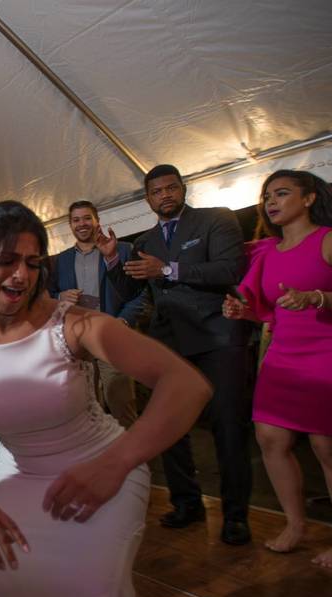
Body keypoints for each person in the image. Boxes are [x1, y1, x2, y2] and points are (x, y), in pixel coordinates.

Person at [0, 200, 210, 597]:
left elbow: (186, 385)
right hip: (21, 476)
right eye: (6, 261)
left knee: (88, 587)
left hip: (105, 468)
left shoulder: (72, 326)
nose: (21, 275)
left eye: (31, 262)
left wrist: (116, 462)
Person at [102, 164, 254, 545]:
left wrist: (168, 269)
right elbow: (129, 291)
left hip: (216, 337)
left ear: (183, 189)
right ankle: (186, 502)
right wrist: (112, 260)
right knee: (167, 427)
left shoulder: (215, 220)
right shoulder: (146, 241)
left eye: (171, 188)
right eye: (157, 191)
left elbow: (230, 268)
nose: (165, 195)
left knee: (228, 427)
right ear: (148, 198)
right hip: (168, 344)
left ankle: (236, 516)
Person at [223, 170, 332, 569]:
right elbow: (270, 310)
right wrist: (244, 312)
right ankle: (295, 525)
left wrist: (317, 297)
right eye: (267, 195)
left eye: (282, 193)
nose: (271, 201)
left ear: (309, 198)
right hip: (285, 351)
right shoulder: (267, 251)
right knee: (269, 437)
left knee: (328, 447)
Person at [49, 200, 146, 427]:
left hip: (111, 337)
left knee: (122, 406)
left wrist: (123, 320)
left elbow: (140, 294)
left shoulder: (122, 250)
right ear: (70, 225)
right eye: (76, 220)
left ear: (97, 221)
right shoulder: (61, 259)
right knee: (86, 410)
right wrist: (59, 298)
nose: (81, 224)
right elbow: (48, 295)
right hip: (78, 341)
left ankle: (135, 461)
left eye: (86, 218)